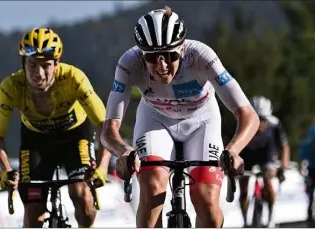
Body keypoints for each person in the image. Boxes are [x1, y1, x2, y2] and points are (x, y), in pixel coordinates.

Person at [100, 7, 259, 228]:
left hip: (202, 121)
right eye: (153, 57)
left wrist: (233, 150)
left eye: (170, 56)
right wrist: (123, 151)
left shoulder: (202, 56)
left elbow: (248, 115)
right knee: (153, 190)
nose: (162, 65)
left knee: (207, 205)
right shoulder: (129, 63)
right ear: (141, 54)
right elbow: (108, 130)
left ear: (182, 49)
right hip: (155, 121)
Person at [0, 27, 111, 228]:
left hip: (75, 137)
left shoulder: (74, 79)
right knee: (33, 209)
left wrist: (103, 168)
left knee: (82, 197)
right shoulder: (11, 87)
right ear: (23, 64)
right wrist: (5, 170)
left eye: (46, 65)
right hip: (36, 142)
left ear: (56, 64)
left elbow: (106, 126)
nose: (39, 73)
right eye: (32, 65)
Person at [238, 96, 290, 228]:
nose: (259, 123)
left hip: (267, 154)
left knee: (268, 183)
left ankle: (271, 216)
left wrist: (283, 166)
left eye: (263, 119)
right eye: (256, 118)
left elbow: (284, 146)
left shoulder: (275, 124)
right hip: (247, 155)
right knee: (243, 189)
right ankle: (245, 222)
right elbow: (235, 146)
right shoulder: (242, 122)